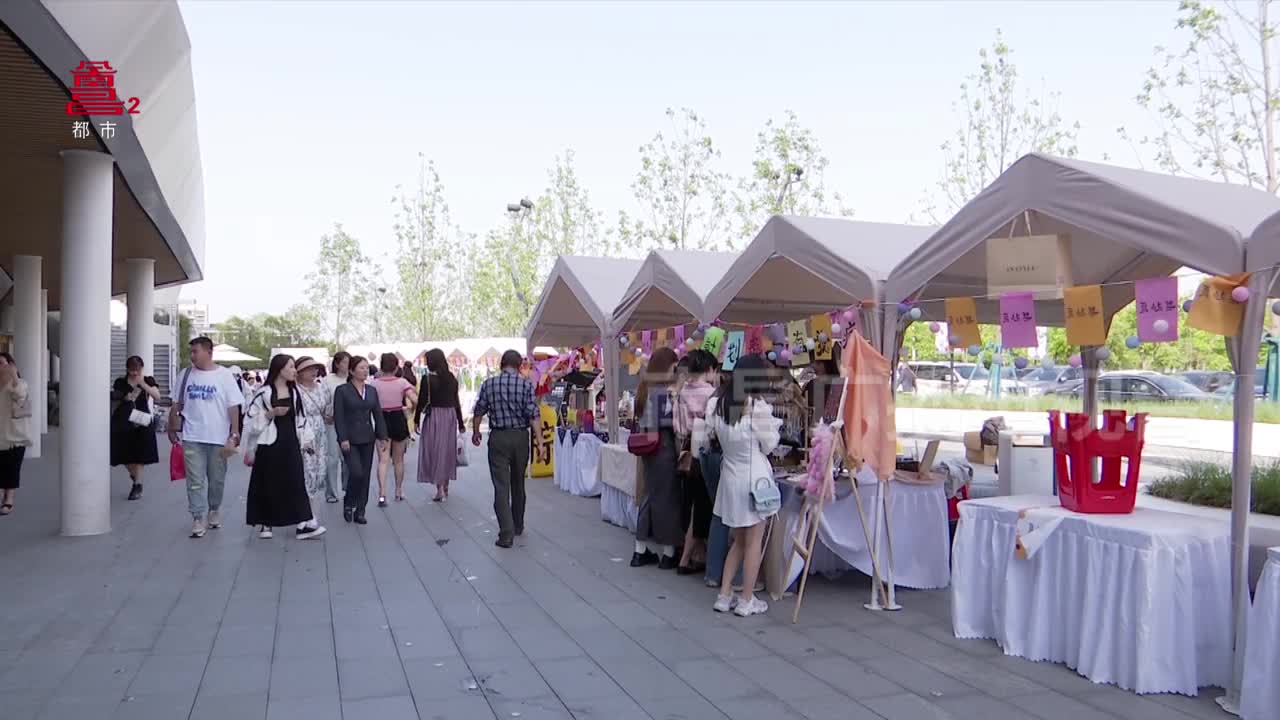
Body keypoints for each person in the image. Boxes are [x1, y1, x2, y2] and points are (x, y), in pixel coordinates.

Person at [703, 354, 782, 617]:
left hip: (731, 475)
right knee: (753, 542)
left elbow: (708, 436)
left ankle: (724, 595)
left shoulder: (717, 403)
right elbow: (770, 444)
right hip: (754, 477)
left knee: (738, 540)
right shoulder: (756, 406)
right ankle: (747, 599)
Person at [168, 336, 244, 539]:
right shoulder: (185, 375)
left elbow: (233, 406)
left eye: (196, 351)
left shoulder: (225, 376)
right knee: (195, 479)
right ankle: (197, 517)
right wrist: (172, 426)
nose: (192, 356)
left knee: (217, 479)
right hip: (192, 436)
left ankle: (214, 509)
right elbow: (176, 402)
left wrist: (234, 433)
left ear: (209, 352)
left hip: (218, 438)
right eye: (191, 352)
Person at [242, 355, 321, 539]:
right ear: (280, 369)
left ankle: (304, 523)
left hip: (290, 442)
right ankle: (266, 522)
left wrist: (307, 441)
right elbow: (251, 420)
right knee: (268, 481)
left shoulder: (295, 393)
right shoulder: (264, 393)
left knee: (295, 480)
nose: (295, 371)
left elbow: (301, 418)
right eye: (291, 367)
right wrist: (271, 413)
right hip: (269, 443)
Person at [471, 349, 537, 548]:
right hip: (520, 437)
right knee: (519, 482)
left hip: (498, 437)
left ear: (501, 364)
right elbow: (533, 415)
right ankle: (518, 524)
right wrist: (541, 443)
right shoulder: (526, 385)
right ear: (519, 366)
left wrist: (475, 432)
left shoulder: (488, 384)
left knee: (501, 486)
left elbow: (479, 411)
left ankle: (506, 533)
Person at [630, 347, 683, 570]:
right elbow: (667, 422)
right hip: (663, 448)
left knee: (649, 498)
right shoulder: (661, 392)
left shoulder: (643, 389)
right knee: (667, 500)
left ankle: (640, 549)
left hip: (648, 450)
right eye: (674, 366)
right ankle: (669, 553)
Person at [674, 349, 717, 576]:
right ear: (709, 369)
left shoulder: (682, 393)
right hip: (705, 456)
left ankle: (694, 556)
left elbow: (678, 428)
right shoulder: (712, 393)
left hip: (686, 456)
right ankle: (688, 559)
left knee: (691, 506)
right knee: (702, 509)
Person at [334, 356, 388, 524]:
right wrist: (342, 437)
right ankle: (349, 502)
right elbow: (339, 417)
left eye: (366, 368)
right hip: (349, 439)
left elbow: (378, 414)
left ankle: (360, 510)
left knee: (365, 475)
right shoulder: (342, 391)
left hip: (367, 437)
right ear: (351, 370)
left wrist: (382, 436)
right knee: (356, 472)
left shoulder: (371, 391)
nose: (365, 371)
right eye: (361, 368)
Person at [416, 348, 465, 502]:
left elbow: (421, 402)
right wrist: (461, 422)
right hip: (450, 416)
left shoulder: (427, 380)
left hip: (435, 416)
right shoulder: (452, 378)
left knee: (435, 450)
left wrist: (416, 419)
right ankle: (446, 484)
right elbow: (456, 402)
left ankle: (439, 489)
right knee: (446, 450)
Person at [110, 355, 161, 500]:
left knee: (139, 454)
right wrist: (125, 397)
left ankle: (137, 485)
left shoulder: (148, 380)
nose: (134, 373)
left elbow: (157, 396)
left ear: (141, 369)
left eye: (137, 370)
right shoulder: (120, 382)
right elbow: (116, 396)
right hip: (123, 421)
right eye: (131, 370)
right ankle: (135, 476)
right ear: (127, 369)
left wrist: (142, 384)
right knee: (122, 451)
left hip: (141, 420)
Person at [373, 353, 417, 505]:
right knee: (399, 460)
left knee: (383, 461)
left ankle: (382, 493)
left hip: (381, 420)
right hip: (398, 418)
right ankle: (398, 491)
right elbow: (415, 399)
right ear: (396, 366)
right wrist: (410, 411)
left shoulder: (374, 384)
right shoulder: (402, 382)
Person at [293, 356, 331, 531]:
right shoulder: (295, 390)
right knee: (306, 470)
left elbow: (328, 409)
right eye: (308, 369)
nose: (313, 371)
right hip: (302, 431)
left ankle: (309, 511)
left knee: (319, 470)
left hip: (320, 430)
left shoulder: (322, 388)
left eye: (314, 368)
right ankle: (306, 514)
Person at [0, 352, 32, 516]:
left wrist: (13, 376)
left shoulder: (20, 384)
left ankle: (9, 500)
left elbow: (20, 395)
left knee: (12, 468)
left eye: (3, 363)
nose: (1, 368)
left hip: (15, 436)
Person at [321, 351, 351, 502]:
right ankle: (331, 492)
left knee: (348, 457)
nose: (347, 365)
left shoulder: (353, 380)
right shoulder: (327, 381)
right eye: (345, 362)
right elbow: (322, 401)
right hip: (332, 422)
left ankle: (348, 488)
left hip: (349, 422)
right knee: (332, 457)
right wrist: (324, 415)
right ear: (338, 364)